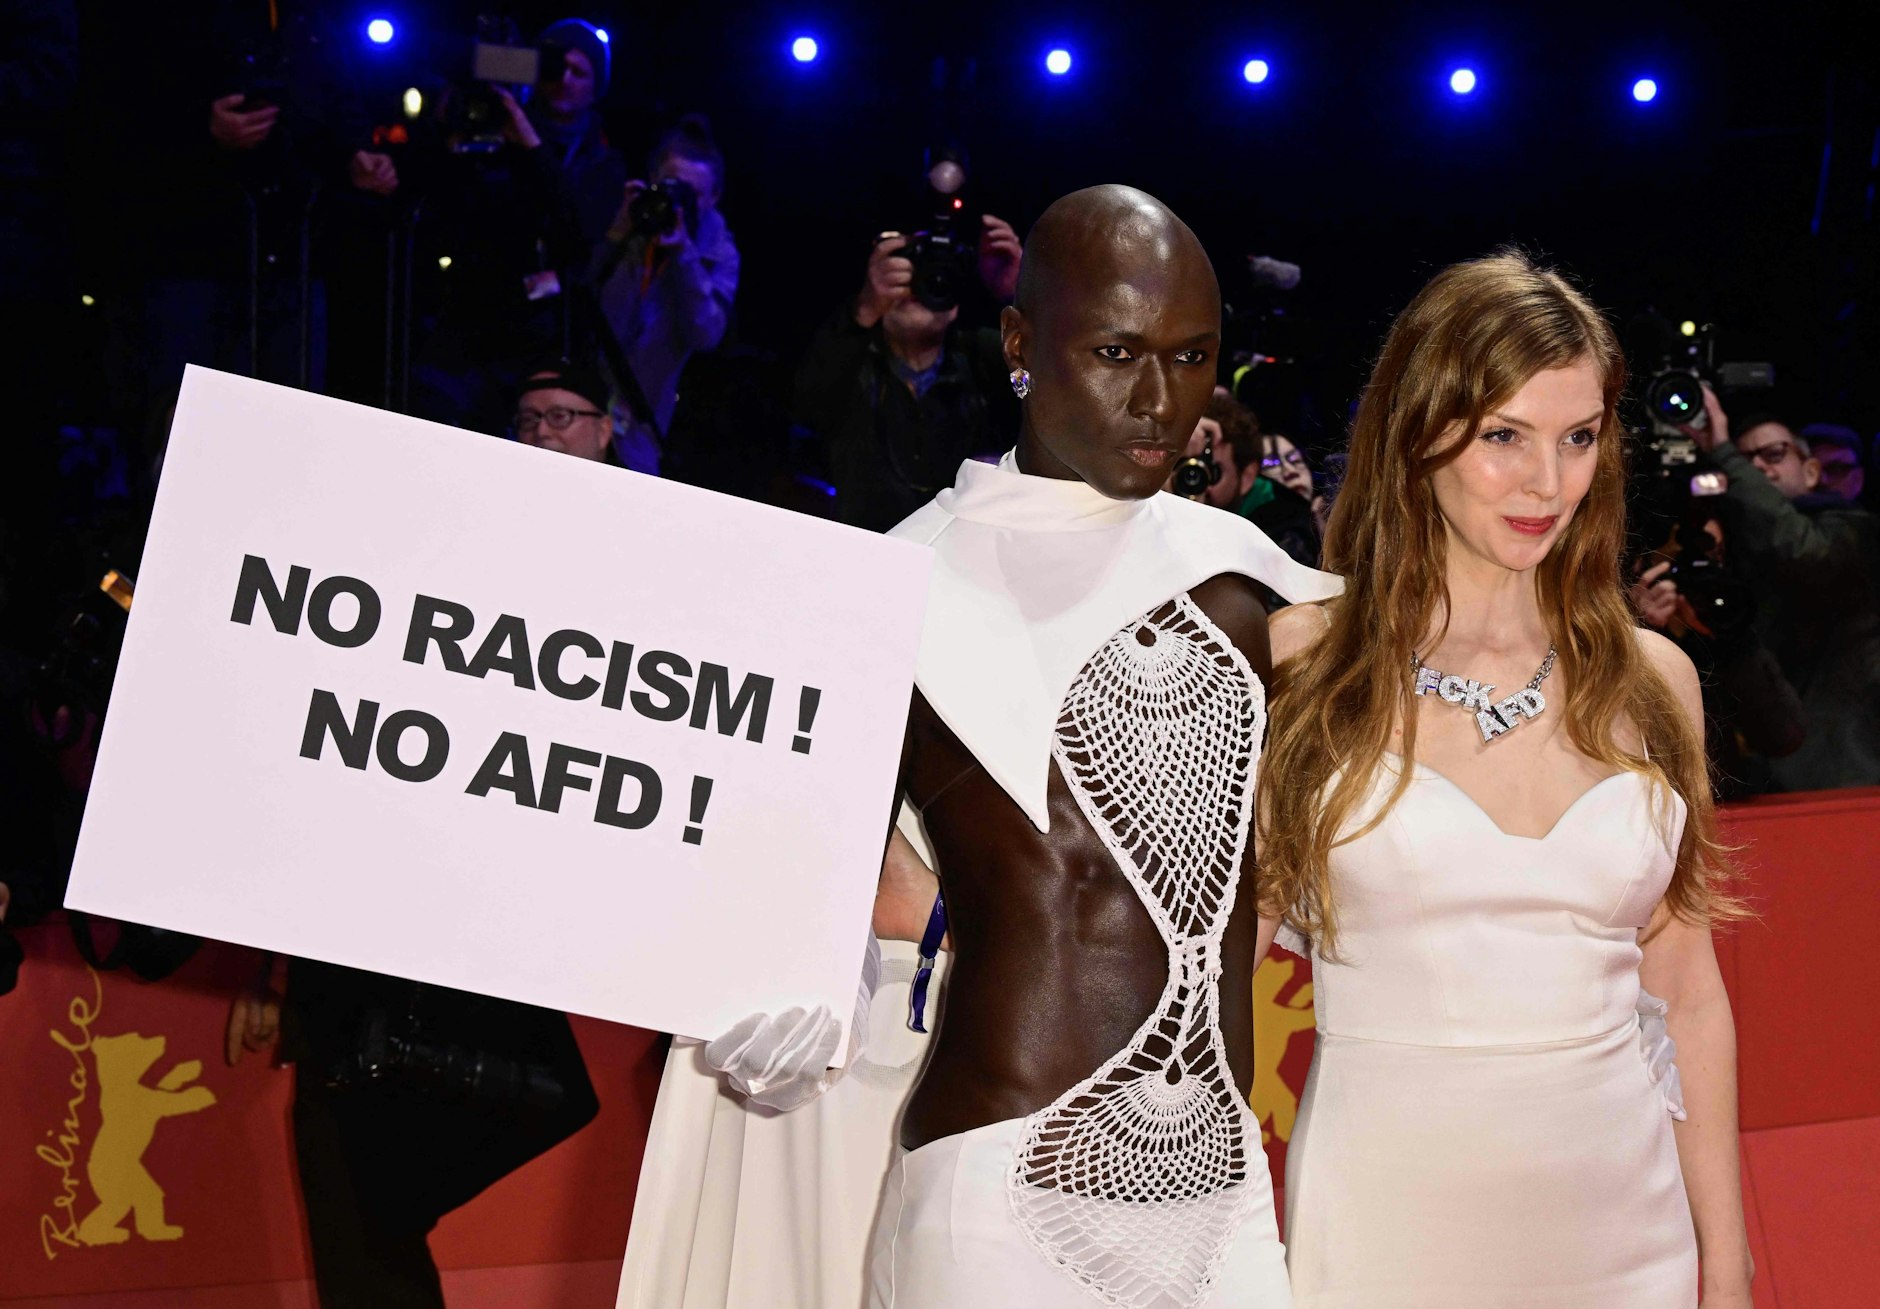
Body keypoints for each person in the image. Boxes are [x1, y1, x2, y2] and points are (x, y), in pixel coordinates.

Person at [1260, 251, 1753, 1306]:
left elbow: (1687, 997)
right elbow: (1208, 967)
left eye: (1577, 438)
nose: (1547, 483)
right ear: (1418, 433)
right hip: (1386, 1227)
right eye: (1502, 437)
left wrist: (1726, 1265)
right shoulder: (1300, 662)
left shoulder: (1652, 681)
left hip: (1628, 1234)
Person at [1686, 397, 1880, 790]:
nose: (1757, 467)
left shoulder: (1853, 530)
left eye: (1774, 454)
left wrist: (1723, 451)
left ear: (1811, 472)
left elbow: (1806, 554)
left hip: (1849, 776)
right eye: (1744, 460)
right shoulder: (1729, 553)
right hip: (1757, 780)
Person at [793, 216, 1025, 530]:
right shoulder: (849, 363)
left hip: (966, 551)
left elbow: (1050, 390)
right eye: (908, 272)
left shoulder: (981, 358)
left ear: (955, 304)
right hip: (869, 549)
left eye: (935, 276)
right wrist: (863, 309)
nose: (918, 288)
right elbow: (807, 407)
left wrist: (1018, 296)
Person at [592, 116, 740, 474]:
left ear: (714, 197)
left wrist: (683, 256)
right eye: (671, 186)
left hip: (648, 420)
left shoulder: (719, 252)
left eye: (692, 194)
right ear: (654, 180)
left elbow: (706, 334)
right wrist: (617, 235)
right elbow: (579, 299)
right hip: (588, 398)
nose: (678, 202)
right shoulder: (627, 219)